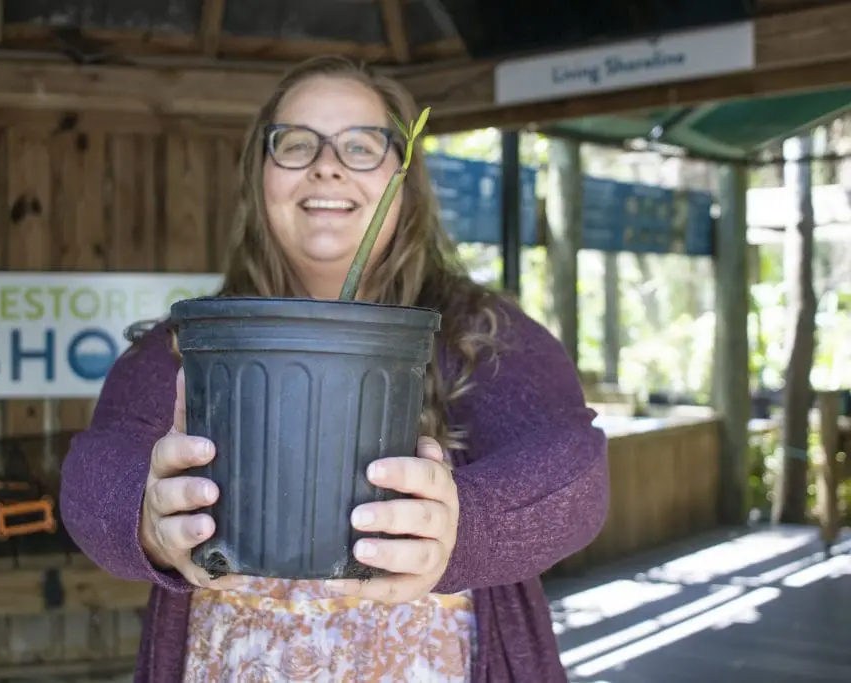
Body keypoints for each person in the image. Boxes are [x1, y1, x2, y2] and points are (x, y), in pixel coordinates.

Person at [60, 54, 609, 682]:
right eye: (295, 144)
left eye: (362, 145)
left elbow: (577, 473)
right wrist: (147, 518)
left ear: (404, 178)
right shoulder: (194, 344)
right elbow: (94, 469)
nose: (327, 164)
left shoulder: (480, 333)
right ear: (257, 177)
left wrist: (467, 526)